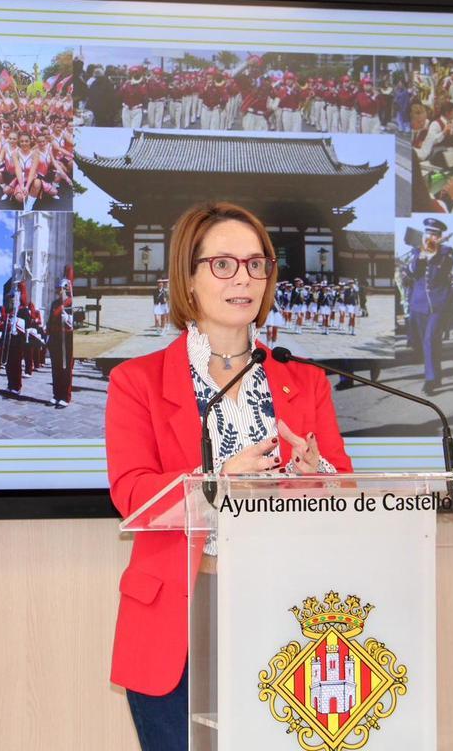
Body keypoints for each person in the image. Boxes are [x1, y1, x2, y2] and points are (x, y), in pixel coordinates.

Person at [105, 202, 352, 751]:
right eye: (223, 264)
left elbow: (347, 491)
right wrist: (214, 482)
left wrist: (316, 473)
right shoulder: (138, 380)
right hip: (180, 615)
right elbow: (131, 494)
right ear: (188, 278)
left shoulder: (303, 380)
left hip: (287, 609)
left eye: (256, 264)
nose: (244, 278)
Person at [402, 217, 453, 395]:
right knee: (428, 342)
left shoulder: (446, 252)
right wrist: (423, 254)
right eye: (427, 234)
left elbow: (441, 273)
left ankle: (430, 380)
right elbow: (410, 273)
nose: (429, 237)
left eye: (433, 235)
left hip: (437, 305)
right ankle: (436, 375)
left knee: (430, 340)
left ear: (439, 237)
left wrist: (434, 253)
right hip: (418, 304)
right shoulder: (417, 252)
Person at [48, 274, 74, 408]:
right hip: (55, 338)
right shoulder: (55, 303)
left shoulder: (71, 302)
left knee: (65, 368)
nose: (59, 291)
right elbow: (50, 321)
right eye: (58, 289)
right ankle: (56, 395)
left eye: (61, 289)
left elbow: (78, 321)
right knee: (56, 368)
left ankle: (65, 396)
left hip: (67, 338)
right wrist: (48, 335)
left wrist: (68, 319)